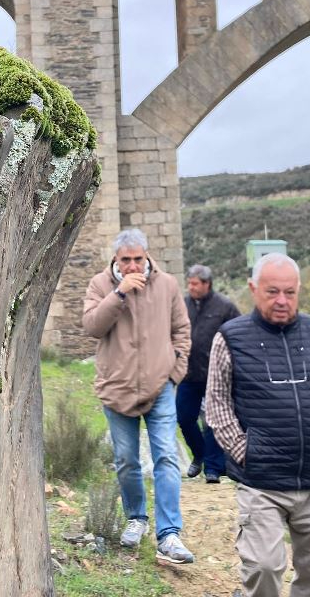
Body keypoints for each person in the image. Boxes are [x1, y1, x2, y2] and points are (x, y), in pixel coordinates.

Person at [206, 253, 310, 597]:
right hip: (262, 481)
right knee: (263, 567)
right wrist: (246, 453)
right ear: (253, 288)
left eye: (289, 293)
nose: (281, 301)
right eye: (272, 291)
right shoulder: (230, 338)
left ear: (299, 290)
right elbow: (217, 405)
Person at [82, 228, 195, 565]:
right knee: (127, 460)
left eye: (138, 259)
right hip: (117, 389)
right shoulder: (99, 285)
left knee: (166, 457)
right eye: (125, 260)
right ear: (116, 260)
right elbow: (91, 327)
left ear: (146, 256)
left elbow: (182, 332)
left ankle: (169, 533)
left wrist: (175, 373)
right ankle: (137, 518)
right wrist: (118, 293)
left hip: (160, 386)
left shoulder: (167, 285)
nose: (132, 265)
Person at [178, 264, 240, 483]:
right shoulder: (182, 305)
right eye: (189, 283)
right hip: (187, 373)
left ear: (207, 284)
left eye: (195, 284)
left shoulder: (225, 307)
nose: (191, 287)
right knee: (184, 418)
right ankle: (200, 454)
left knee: (213, 421)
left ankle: (213, 468)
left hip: (217, 375)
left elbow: (238, 336)